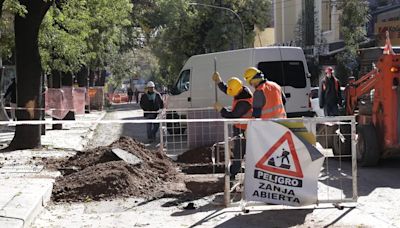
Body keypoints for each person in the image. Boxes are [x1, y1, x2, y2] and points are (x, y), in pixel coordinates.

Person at [212, 72, 253, 180]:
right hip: (241, 128)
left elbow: (233, 116)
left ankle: (233, 174)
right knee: (238, 151)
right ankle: (236, 170)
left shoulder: (244, 103)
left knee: (238, 152)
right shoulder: (241, 90)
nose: (231, 94)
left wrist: (221, 109)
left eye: (232, 92)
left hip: (244, 130)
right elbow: (228, 89)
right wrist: (219, 81)